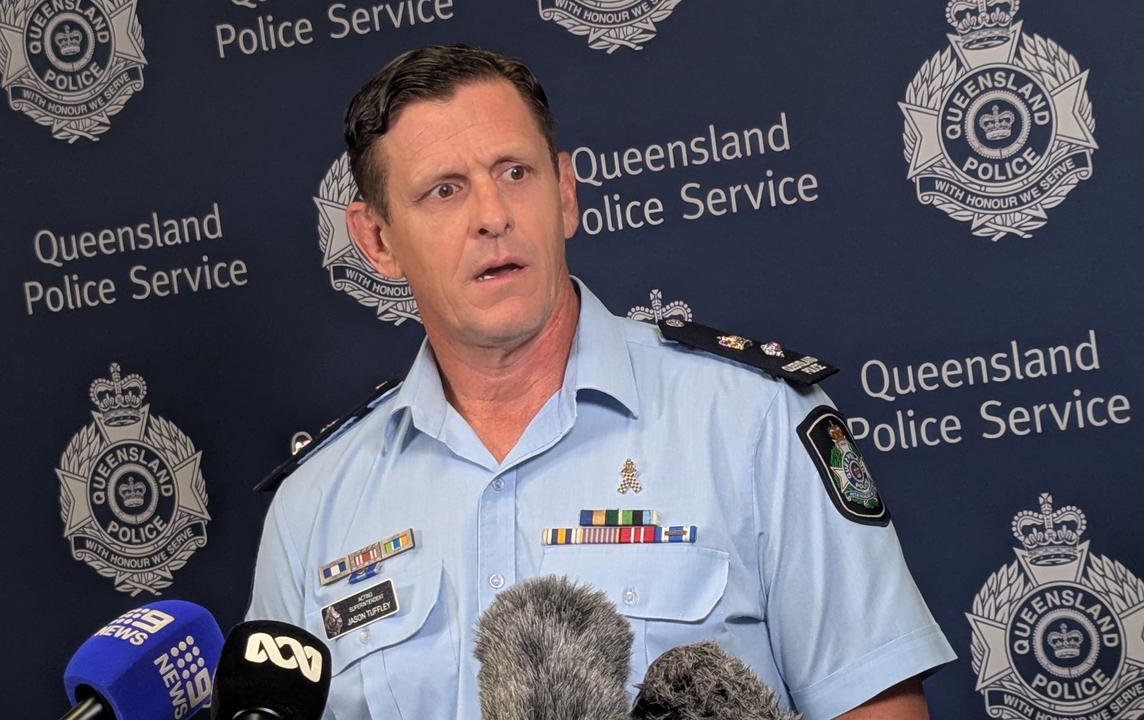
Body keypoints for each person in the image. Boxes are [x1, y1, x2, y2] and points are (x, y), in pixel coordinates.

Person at [247, 44, 955, 719]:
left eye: (514, 173)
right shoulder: (315, 507)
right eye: (444, 191)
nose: (492, 216)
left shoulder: (751, 419)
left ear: (566, 193)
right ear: (377, 241)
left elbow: (875, 704)